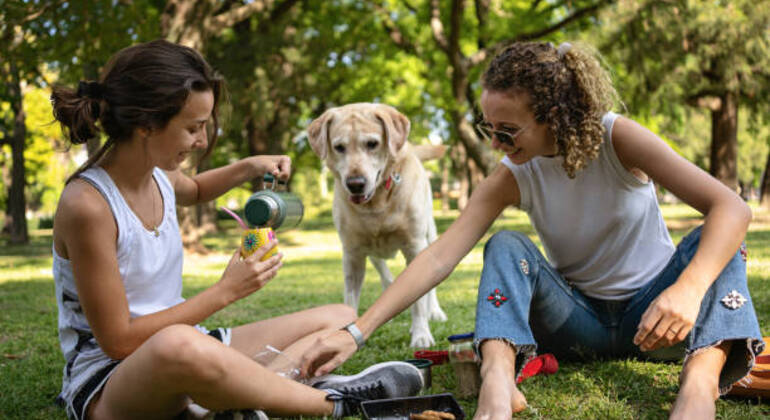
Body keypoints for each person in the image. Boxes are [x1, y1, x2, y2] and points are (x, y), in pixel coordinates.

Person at [300, 41, 763, 420]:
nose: (496, 143)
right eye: (489, 129)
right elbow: (440, 255)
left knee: (718, 244)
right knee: (505, 244)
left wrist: (687, 289)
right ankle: (498, 386)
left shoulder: (618, 138)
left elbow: (730, 208)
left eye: (509, 131)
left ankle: (699, 385)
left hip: (657, 320)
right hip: (576, 322)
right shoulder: (512, 174)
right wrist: (356, 333)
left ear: (553, 117)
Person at [50, 39, 422, 420]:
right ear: (146, 124)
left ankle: (243, 402)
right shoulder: (89, 206)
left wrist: (249, 167)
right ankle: (336, 403)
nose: (202, 140)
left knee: (341, 316)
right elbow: (118, 341)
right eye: (193, 128)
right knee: (177, 344)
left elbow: (194, 189)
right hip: (112, 379)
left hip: (190, 347)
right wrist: (225, 291)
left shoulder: (158, 173)